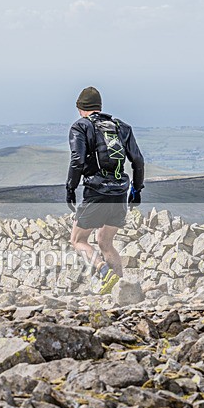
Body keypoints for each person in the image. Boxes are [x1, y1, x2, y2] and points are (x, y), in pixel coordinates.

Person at [65, 87, 145, 294]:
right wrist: (136, 189)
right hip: (120, 193)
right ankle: (121, 289)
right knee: (105, 241)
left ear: (80, 108)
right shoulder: (122, 127)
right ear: (99, 107)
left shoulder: (81, 127)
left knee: (77, 240)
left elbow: (77, 161)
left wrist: (71, 188)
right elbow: (137, 160)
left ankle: (103, 271)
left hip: (96, 193)